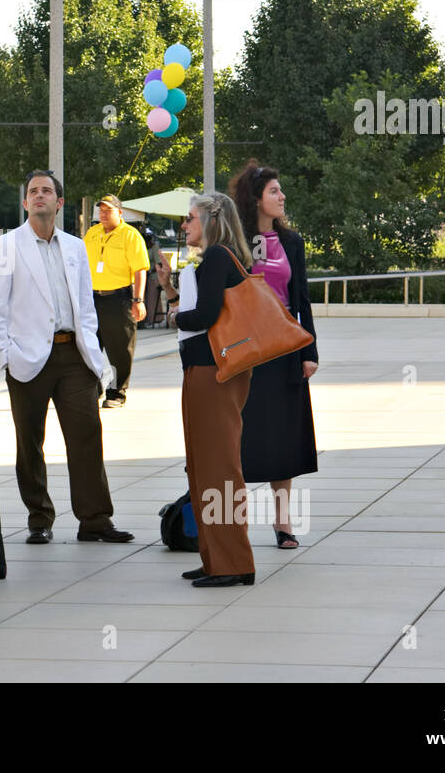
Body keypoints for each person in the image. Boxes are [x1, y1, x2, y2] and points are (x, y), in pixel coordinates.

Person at [0, 171, 134, 545]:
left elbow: (85, 304)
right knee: (30, 442)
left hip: (74, 356)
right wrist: (5, 357)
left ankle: (95, 520)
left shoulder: (74, 246)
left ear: (59, 202)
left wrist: (93, 355)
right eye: (33, 191)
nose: (39, 196)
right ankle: (39, 518)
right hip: (28, 359)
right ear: (25, 203)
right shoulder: (6, 247)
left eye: (46, 191)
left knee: (87, 435)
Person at [161, 192, 256, 587]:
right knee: (201, 466)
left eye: (190, 219)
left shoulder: (218, 257)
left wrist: (173, 316)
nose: (184, 226)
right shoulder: (212, 258)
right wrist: (169, 289)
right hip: (203, 370)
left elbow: (205, 315)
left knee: (218, 469)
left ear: (211, 220)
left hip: (214, 372)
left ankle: (233, 562)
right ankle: (215, 557)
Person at [229, 160, 319, 548]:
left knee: (284, 437)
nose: (282, 197)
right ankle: (234, 523)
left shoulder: (292, 242)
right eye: (274, 192)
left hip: (284, 349)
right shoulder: (234, 241)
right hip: (246, 351)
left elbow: (302, 299)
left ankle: (283, 523)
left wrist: (309, 350)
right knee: (241, 437)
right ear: (255, 199)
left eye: (280, 190)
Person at [83, 194, 149, 408]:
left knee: (120, 349)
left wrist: (138, 300)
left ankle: (116, 392)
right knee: (88, 345)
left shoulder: (130, 235)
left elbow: (140, 270)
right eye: (101, 210)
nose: (103, 213)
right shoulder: (92, 233)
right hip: (92, 298)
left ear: (120, 213)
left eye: (108, 210)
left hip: (119, 298)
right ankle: (93, 388)